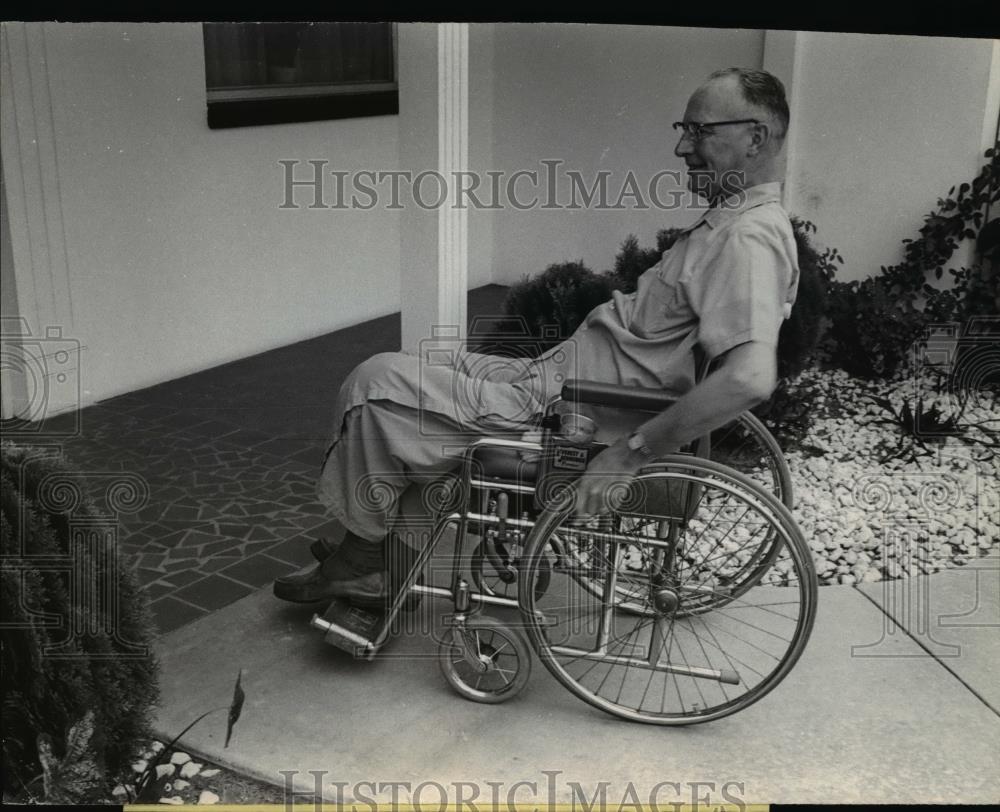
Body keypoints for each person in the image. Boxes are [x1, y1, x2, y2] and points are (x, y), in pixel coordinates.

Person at [274, 66, 800, 607]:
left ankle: (365, 562)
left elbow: (749, 377)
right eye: (682, 129)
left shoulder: (747, 238)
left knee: (375, 384)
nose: (681, 148)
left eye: (699, 132)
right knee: (408, 375)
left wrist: (630, 452)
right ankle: (372, 552)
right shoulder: (735, 222)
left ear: (754, 137)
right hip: (553, 388)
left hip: (565, 419)